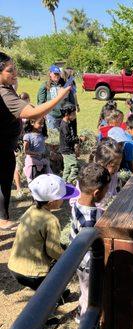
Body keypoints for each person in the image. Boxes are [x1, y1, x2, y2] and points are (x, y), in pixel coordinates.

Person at [0, 52, 71, 231]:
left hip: (6, 148)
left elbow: (29, 107)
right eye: (10, 70)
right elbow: (33, 114)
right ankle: (2, 219)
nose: (15, 73)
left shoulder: (7, 88)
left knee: (3, 184)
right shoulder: (3, 93)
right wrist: (60, 97)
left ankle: (3, 217)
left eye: (15, 68)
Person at [8, 174, 79, 291]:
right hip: (34, 273)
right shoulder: (51, 220)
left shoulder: (30, 210)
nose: (64, 200)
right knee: (60, 293)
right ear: (52, 202)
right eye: (62, 198)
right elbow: (53, 251)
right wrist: (71, 259)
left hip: (14, 267)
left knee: (62, 248)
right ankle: (52, 292)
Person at [70, 163, 111, 321]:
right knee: (91, 294)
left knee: (84, 290)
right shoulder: (90, 221)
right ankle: (85, 322)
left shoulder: (76, 203)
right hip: (89, 264)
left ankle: (82, 308)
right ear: (96, 192)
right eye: (106, 191)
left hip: (78, 260)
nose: (107, 194)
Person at [37, 64, 74, 130]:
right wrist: (42, 114)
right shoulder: (45, 85)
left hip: (64, 115)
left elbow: (71, 98)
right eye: (55, 74)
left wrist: (72, 111)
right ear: (50, 74)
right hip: (51, 115)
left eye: (58, 74)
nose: (57, 76)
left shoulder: (65, 84)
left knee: (64, 134)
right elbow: (41, 102)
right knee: (54, 135)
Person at [13, 92, 31, 199]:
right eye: (22, 99)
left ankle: (31, 185)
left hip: (29, 142)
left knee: (28, 164)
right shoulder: (17, 112)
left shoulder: (30, 109)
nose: (24, 101)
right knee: (18, 166)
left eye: (26, 99)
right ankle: (19, 189)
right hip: (19, 144)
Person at [23, 117, 51, 183]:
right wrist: (37, 154)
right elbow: (26, 151)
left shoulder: (41, 135)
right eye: (39, 123)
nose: (42, 125)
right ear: (32, 123)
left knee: (44, 180)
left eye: (43, 123)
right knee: (33, 181)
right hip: (32, 163)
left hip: (41, 161)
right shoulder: (28, 136)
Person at [59, 102, 81, 184]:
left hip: (66, 149)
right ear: (67, 114)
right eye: (73, 114)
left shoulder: (68, 123)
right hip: (67, 150)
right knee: (75, 166)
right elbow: (68, 139)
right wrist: (79, 140)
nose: (75, 115)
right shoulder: (64, 125)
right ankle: (69, 182)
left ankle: (63, 183)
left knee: (67, 168)